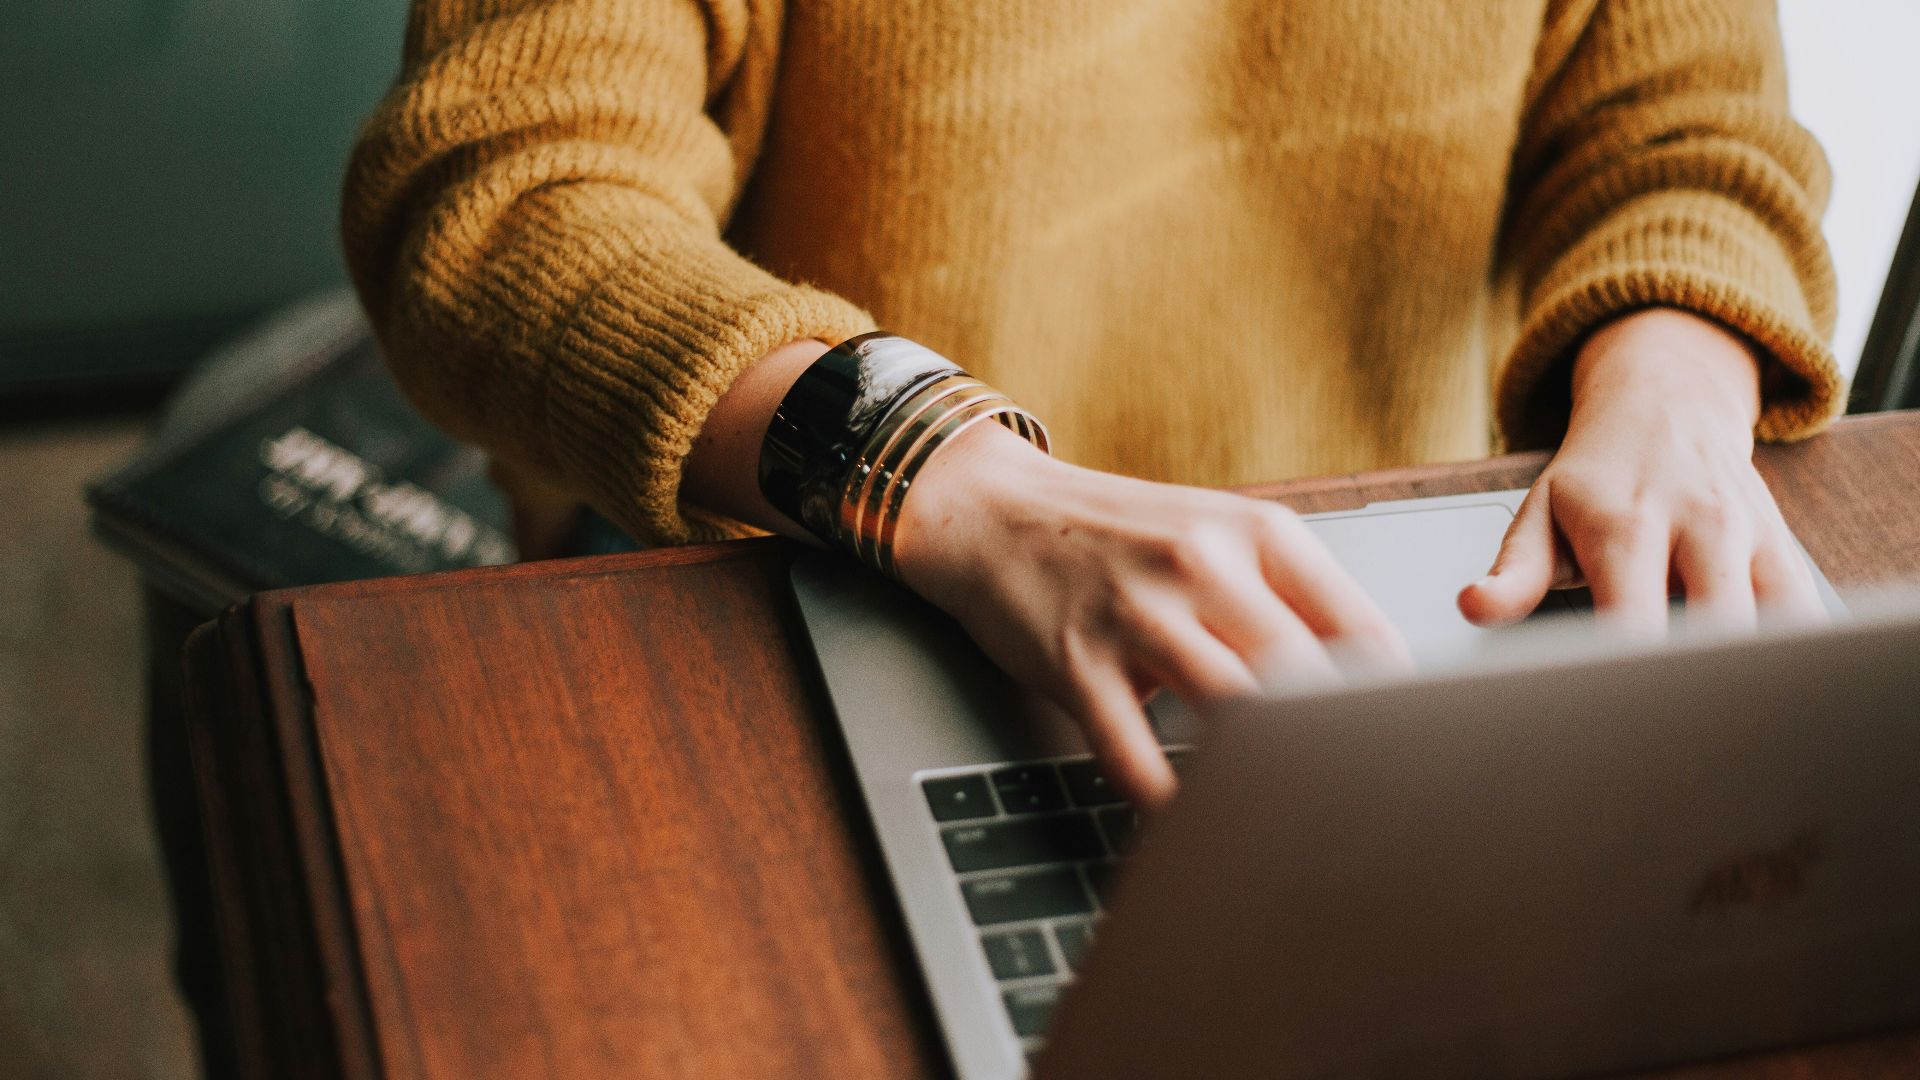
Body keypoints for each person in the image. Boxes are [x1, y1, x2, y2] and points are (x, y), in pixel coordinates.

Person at [342, 0, 1840, 808]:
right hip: (831, 580)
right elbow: (501, 198)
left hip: (1398, 619)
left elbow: (1690, 127)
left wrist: (1675, 379)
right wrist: (950, 476)